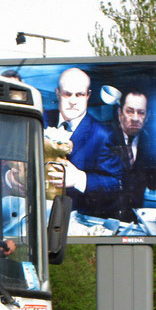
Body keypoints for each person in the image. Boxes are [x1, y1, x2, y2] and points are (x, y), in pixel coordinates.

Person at [44, 68, 123, 216]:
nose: (73, 101)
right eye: (67, 94)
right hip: (37, 218)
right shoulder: (41, 120)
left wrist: (79, 179)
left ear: (88, 95)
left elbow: (116, 184)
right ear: (57, 93)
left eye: (79, 95)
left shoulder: (104, 134)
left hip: (77, 222)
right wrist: (10, 177)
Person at [108, 88, 156, 221]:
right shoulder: (105, 136)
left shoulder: (151, 143)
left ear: (147, 116)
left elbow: (154, 184)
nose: (135, 118)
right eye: (130, 111)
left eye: (141, 113)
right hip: (103, 218)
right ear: (120, 113)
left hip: (133, 219)